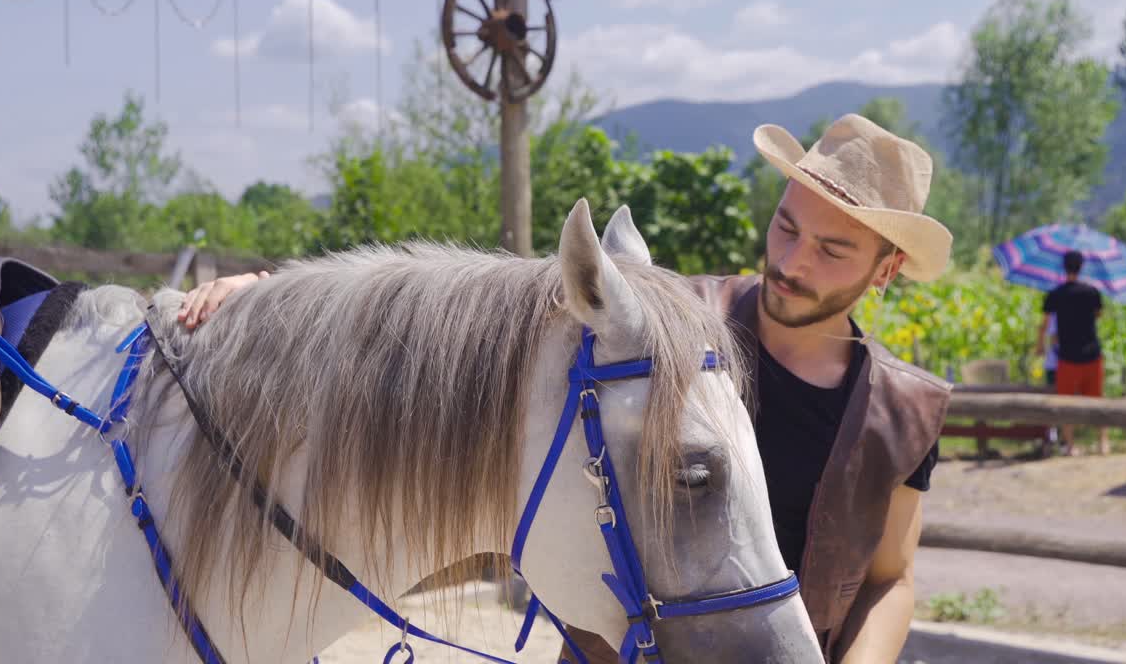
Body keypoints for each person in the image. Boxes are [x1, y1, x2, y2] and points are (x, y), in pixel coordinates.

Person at [177, 114, 954, 664]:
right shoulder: (670, 325)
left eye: (832, 249)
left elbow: (892, 579)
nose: (793, 261)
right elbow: (470, 317)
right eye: (787, 227)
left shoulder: (905, 411)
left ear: (884, 269)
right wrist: (273, 295)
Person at [1037, 250, 1106, 455]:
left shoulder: (1055, 295)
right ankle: (1103, 443)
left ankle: (1071, 446)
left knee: (1066, 403)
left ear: (1064, 267)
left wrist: (1040, 345)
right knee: (1097, 401)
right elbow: (1099, 314)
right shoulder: (1092, 292)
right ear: (1081, 266)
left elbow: (1045, 325)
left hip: (1066, 356)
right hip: (1092, 353)